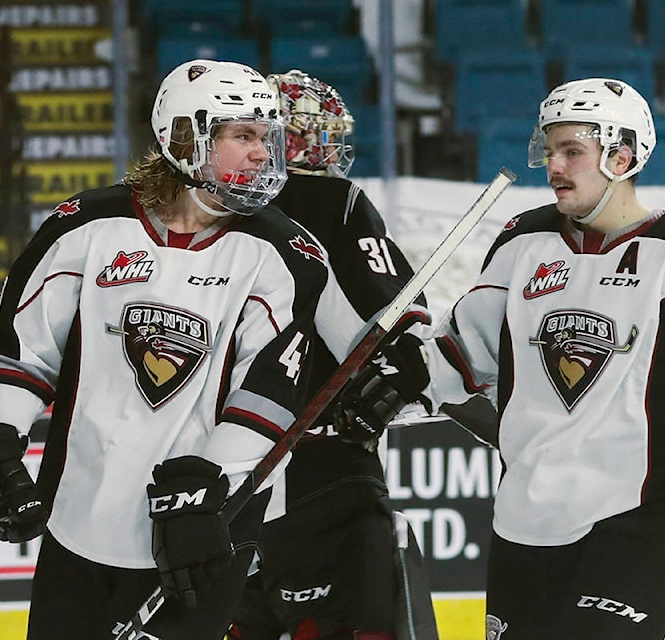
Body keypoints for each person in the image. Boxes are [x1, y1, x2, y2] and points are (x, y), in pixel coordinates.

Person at [335, 77, 665, 639]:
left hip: (640, 514)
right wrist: (402, 379)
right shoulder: (524, 241)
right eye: (549, 150)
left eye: (573, 151)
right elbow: (464, 355)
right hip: (525, 516)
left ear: (622, 155)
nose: (554, 165)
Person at [0, 59, 331, 640]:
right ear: (185, 134)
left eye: (267, 138)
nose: (263, 153)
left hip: (202, 526)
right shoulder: (88, 225)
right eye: (243, 135)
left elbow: (271, 392)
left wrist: (210, 481)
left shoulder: (285, 252)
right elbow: (18, 346)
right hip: (78, 516)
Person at [227, 69, 438, 640]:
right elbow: (397, 321)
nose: (326, 147)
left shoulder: (204, 211)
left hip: (222, 474)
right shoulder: (333, 199)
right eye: (313, 132)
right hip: (326, 467)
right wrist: (404, 370)